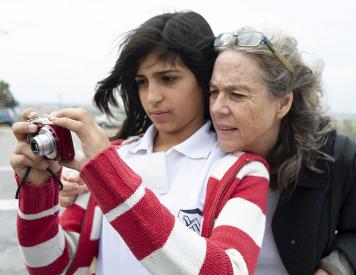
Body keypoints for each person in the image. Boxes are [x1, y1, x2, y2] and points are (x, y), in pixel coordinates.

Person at [10, 12, 269, 275]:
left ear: (204, 80)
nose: (152, 96)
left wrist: (109, 176)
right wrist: (37, 189)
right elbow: (50, 268)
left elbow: (227, 270)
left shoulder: (242, 171)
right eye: (142, 82)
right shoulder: (112, 158)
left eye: (168, 78)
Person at [209, 29, 356, 274]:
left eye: (236, 94)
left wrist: (335, 268)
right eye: (214, 92)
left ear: (282, 103)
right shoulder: (200, 155)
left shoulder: (338, 158)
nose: (218, 108)